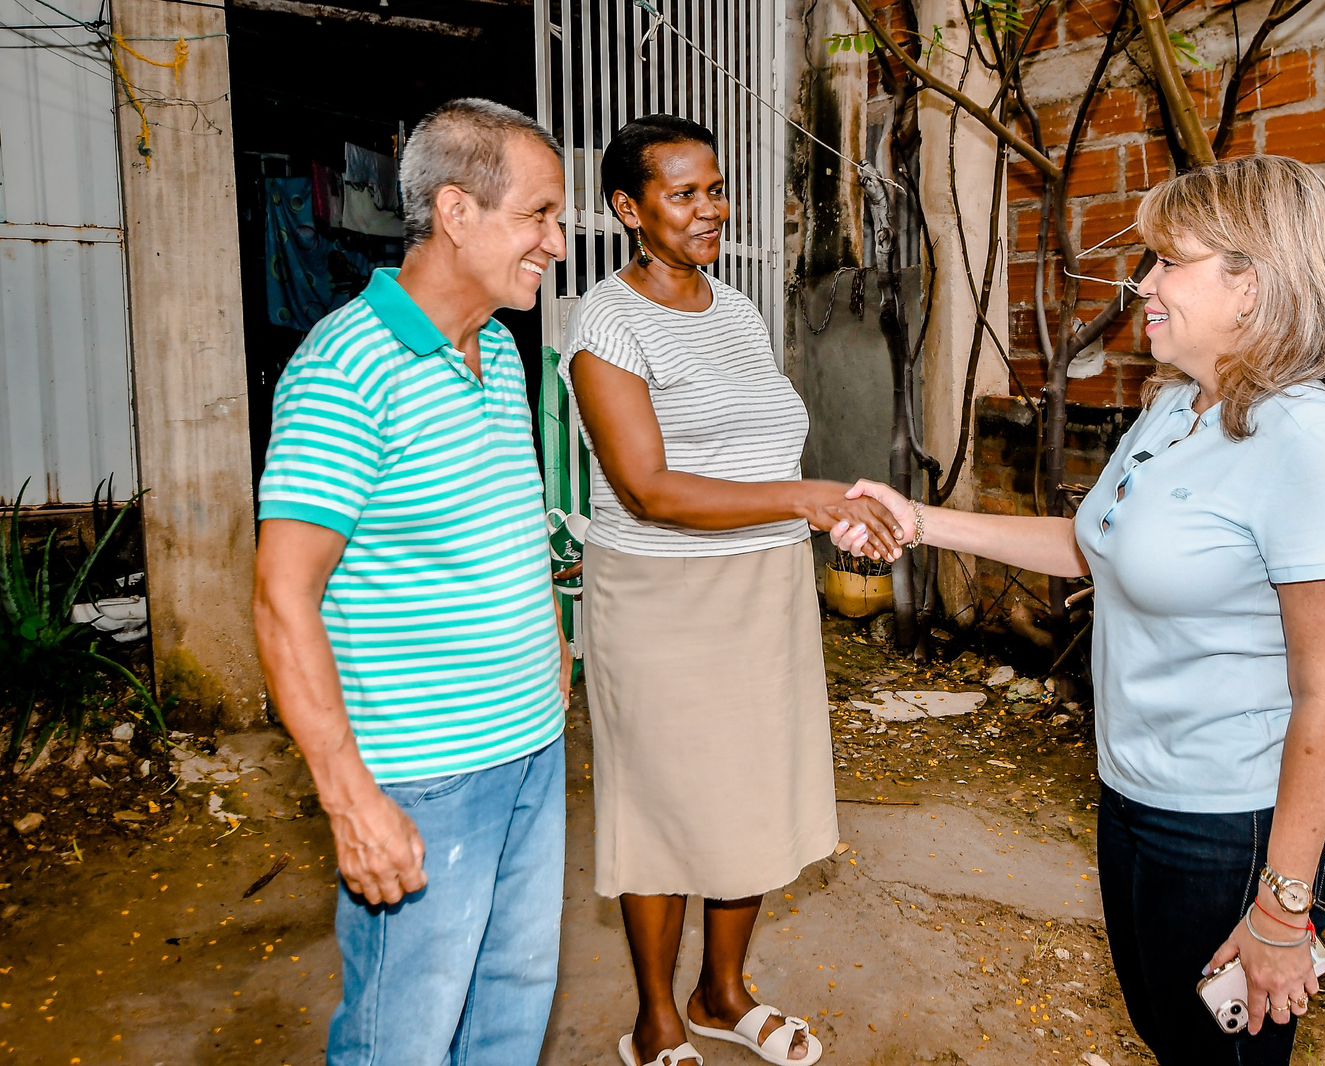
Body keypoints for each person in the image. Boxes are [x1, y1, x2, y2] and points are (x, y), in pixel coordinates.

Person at [835, 155, 1325, 1066]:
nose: (1145, 283)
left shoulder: (1303, 438)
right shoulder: (1177, 408)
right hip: (1137, 790)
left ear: (1253, 284)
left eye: (1172, 261)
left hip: (1236, 820)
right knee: (1169, 1035)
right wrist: (918, 521)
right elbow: (1097, 546)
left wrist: (1282, 909)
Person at [561, 114, 901, 1066]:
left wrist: (810, 515)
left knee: (749, 792)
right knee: (666, 800)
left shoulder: (739, 309)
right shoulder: (605, 322)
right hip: (662, 597)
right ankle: (656, 1019)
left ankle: (722, 991)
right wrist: (807, 498)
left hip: (763, 584)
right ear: (629, 209)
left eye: (714, 188)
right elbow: (649, 487)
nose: (709, 208)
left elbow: (753, 444)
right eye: (683, 193)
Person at [253, 98, 572, 1064]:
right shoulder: (348, 367)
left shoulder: (505, 355)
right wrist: (350, 796)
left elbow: (504, 526)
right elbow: (282, 599)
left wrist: (549, 642)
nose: (557, 243)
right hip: (424, 773)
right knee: (406, 1033)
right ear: (456, 212)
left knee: (513, 1004)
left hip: (534, 747)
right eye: (540, 216)